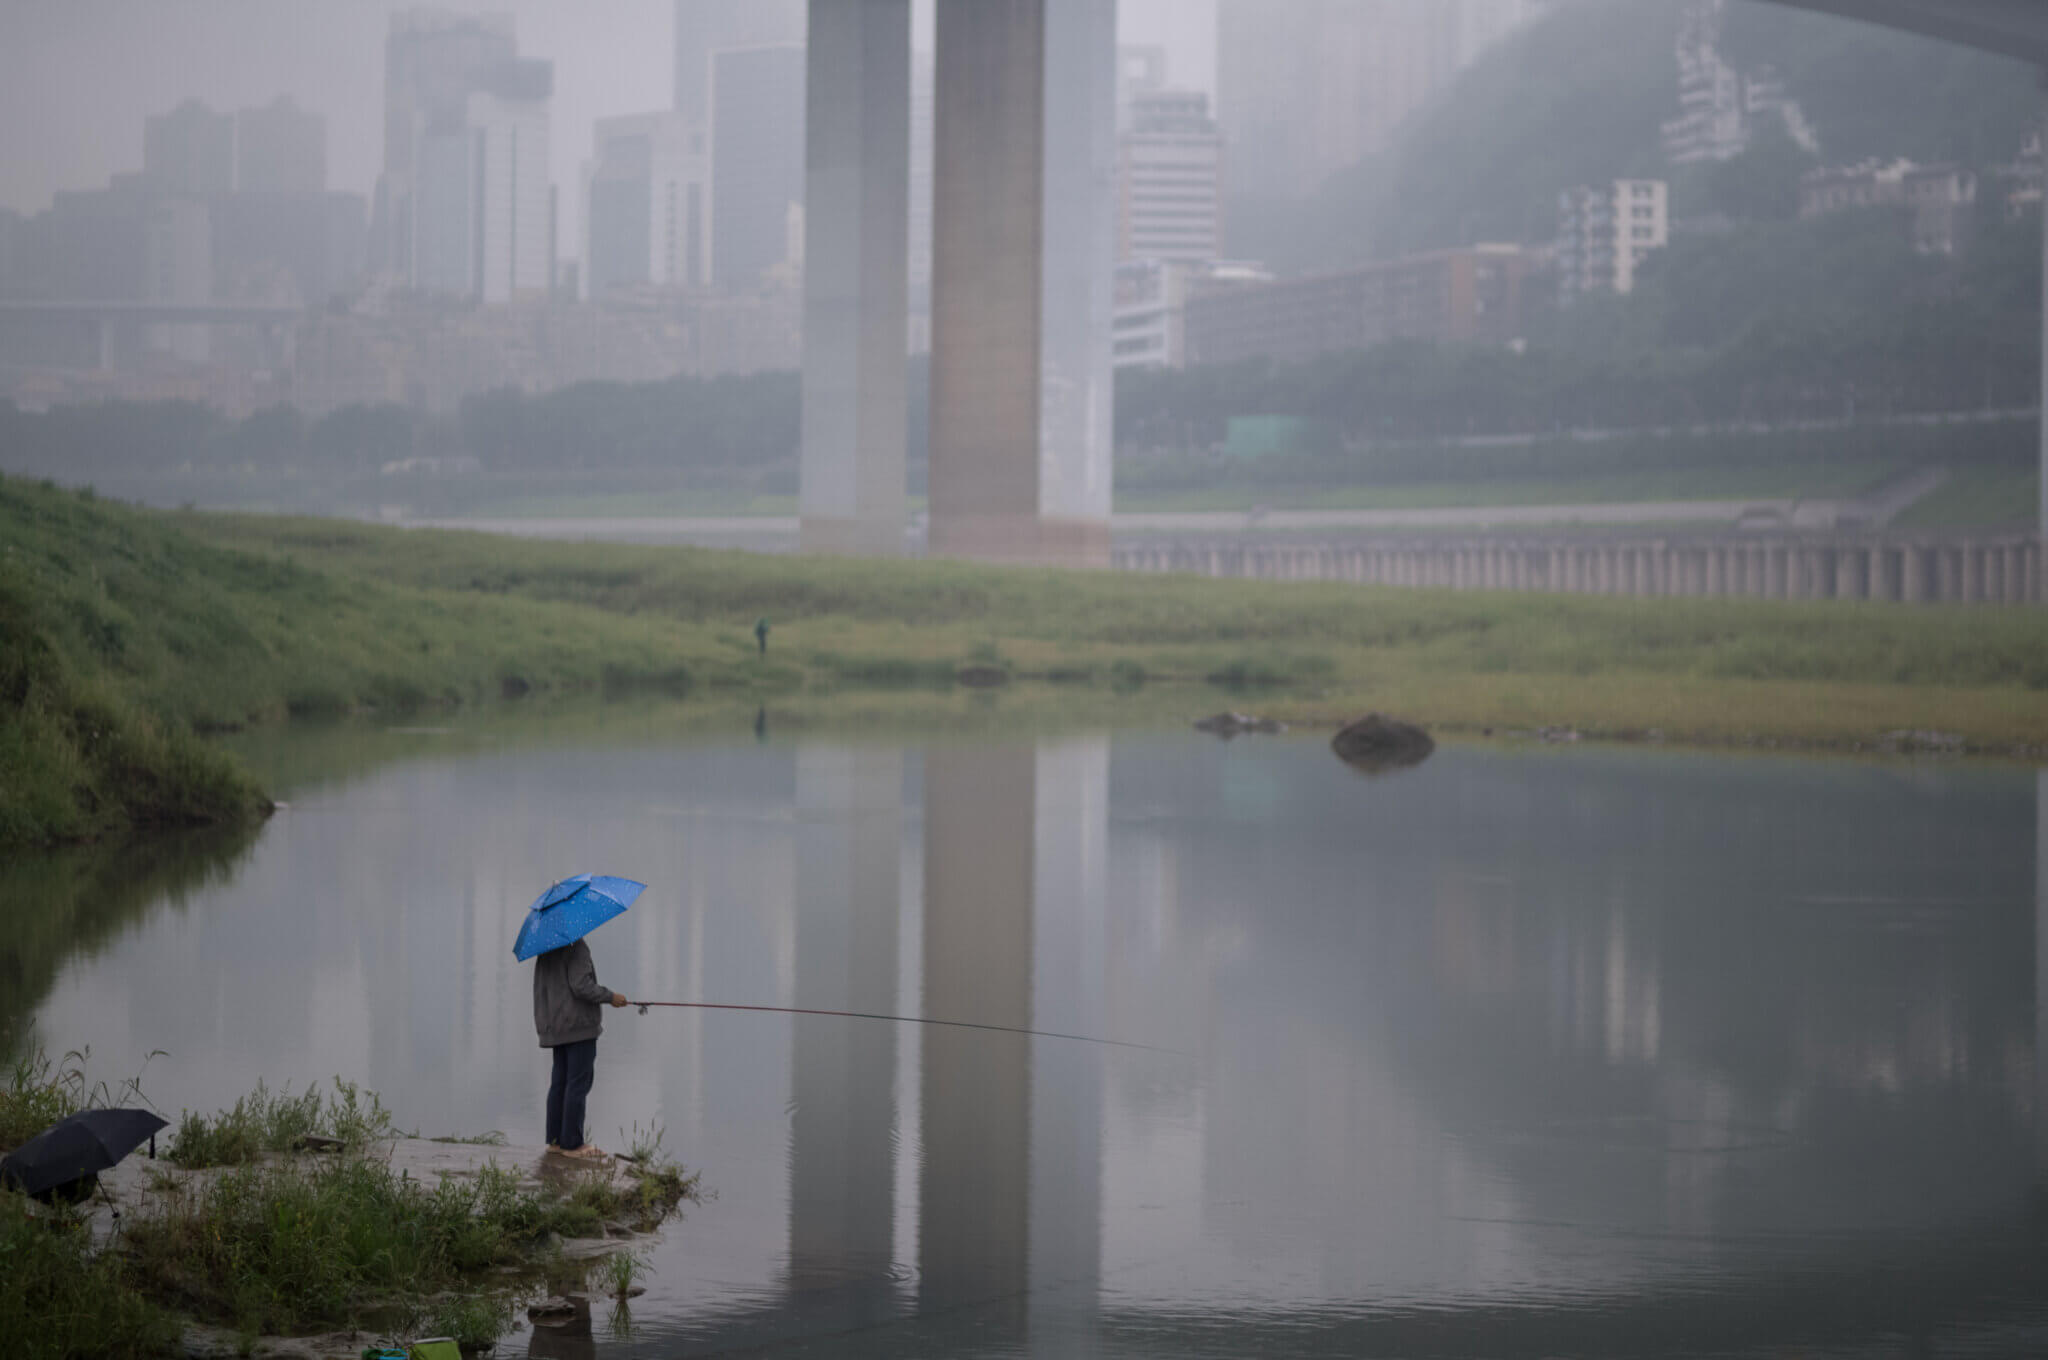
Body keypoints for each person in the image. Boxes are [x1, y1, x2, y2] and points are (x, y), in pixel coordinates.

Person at [533, 937, 628, 1159]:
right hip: (579, 1026)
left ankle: (556, 1141)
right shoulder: (576, 946)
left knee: (560, 1083)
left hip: (557, 1026)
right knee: (578, 1084)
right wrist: (611, 997)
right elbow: (581, 986)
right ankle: (573, 1144)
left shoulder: (547, 946)